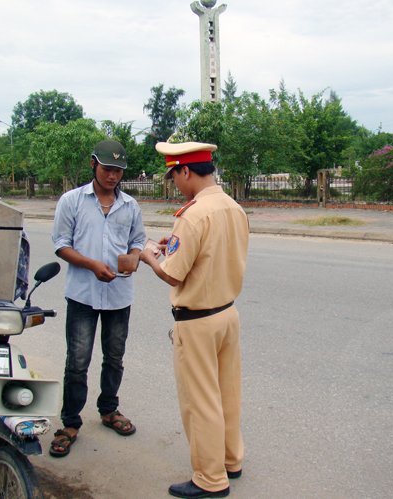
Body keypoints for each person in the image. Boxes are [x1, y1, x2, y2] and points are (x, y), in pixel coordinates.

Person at [140, 142, 249, 499]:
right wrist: (171, 245)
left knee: (200, 401)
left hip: (197, 320)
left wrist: (148, 256)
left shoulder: (194, 214)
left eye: (174, 177)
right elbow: (207, 256)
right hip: (227, 314)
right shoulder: (233, 207)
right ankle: (231, 460)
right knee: (227, 393)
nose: (174, 185)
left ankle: (209, 479)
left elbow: (172, 274)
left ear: (185, 171)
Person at [50, 139, 146, 457]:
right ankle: (70, 422)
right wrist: (91, 264)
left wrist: (134, 256)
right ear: (93, 164)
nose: (113, 176)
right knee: (77, 362)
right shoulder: (72, 201)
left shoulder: (130, 206)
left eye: (118, 171)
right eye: (107, 169)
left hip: (119, 295)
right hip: (82, 295)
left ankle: (109, 410)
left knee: (114, 358)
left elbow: (138, 241)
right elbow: (61, 244)